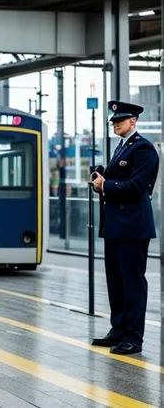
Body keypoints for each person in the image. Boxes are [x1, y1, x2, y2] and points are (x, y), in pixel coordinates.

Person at [91, 100, 159, 356]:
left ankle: (133, 338)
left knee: (132, 284)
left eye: (120, 120)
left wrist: (105, 186)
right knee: (116, 283)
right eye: (114, 120)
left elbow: (136, 187)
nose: (115, 123)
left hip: (132, 228)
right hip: (116, 227)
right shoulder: (122, 148)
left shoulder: (143, 149)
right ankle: (118, 331)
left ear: (133, 121)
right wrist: (102, 179)